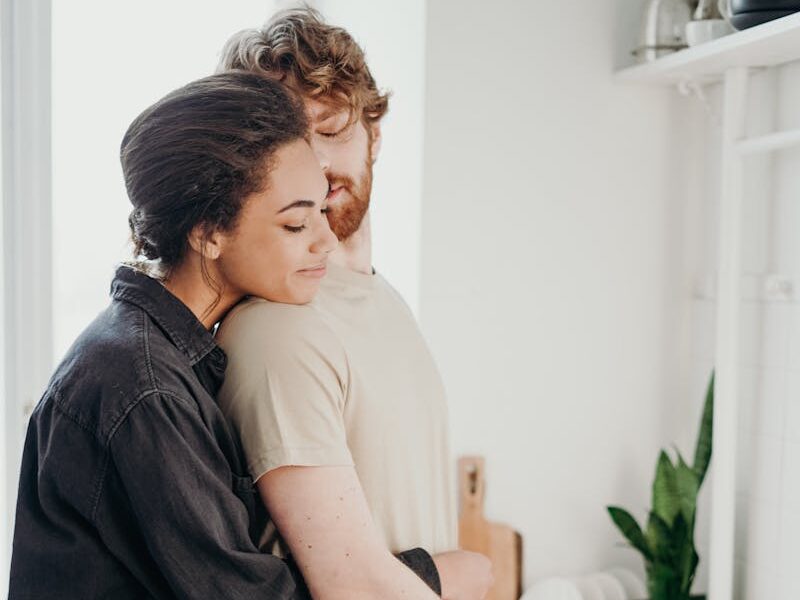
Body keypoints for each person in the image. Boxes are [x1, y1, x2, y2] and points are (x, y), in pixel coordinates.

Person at [8, 70, 441, 599]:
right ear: (209, 233)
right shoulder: (142, 388)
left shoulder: (165, 359)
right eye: (296, 224)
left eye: (321, 213)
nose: (326, 241)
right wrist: (438, 577)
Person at [216, 8, 494, 600]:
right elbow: (355, 591)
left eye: (332, 127)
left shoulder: (381, 300)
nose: (313, 161)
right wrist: (471, 577)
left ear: (375, 133)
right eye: (286, 139)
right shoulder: (278, 329)